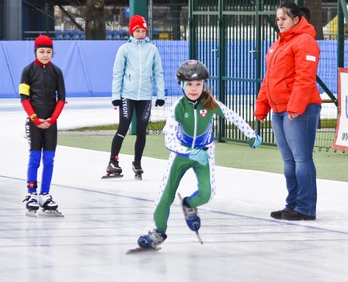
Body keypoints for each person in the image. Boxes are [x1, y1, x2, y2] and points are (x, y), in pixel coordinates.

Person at [133, 60, 261, 251]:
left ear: (204, 85)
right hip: (181, 154)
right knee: (164, 196)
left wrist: (251, 134)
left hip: (205, 153)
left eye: (198, 84)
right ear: (182, 85)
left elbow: (232, 116)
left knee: (207, 194)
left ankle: (189, 204)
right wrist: (190, 152)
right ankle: (158, 232)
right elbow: (169, 141)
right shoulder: (178, 107)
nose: (194, 89)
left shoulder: (210, 103)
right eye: (190, 84)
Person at [255, 1, 322, 221]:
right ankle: (292, 204)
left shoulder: (305, 42)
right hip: (279, 109)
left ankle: (305, 208)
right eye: (277, 19)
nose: (279, 22)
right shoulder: (277, 45)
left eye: (283, 18)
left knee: (301, 159)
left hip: (300, 109)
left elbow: (305, 76)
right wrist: (262, 105)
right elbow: (269, 78)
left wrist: (296, 106)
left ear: (296, 19)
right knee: (289, 162)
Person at [105, 14, 166, 179]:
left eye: (143, 31)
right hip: (128, 95)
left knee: (141, 129)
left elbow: (158, 73)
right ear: (132, 31)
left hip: (145, 96)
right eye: (137, 30)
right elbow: (117, 73)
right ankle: (113, 161)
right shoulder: (124, 49)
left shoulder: (152, 49)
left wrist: (160, 95)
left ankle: (137, 162)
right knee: (123, 126)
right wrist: (116, 95)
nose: (140, 33)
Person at [19, 35, 67, 217]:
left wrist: (52, 119)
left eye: (48, 52)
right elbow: (24, 98)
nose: (45, 55)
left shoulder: (57, 72)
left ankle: (44, 194)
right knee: (34, 158)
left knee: (48, 160)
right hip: (34, 122)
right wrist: (35, 118)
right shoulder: (28, 71)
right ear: (35, 52)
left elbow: (61, 98)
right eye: (42, 51)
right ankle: (31, 193)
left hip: (51, 122)